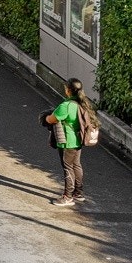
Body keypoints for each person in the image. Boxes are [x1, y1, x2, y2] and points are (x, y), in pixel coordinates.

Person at [44, 78, 93, 206]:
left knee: (67, 167)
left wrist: (46, 117)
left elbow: (51, 119)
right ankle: (79, 193)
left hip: (67, 142)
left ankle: (68, 197)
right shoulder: (83, 103)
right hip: (78, 140)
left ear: (68, 90)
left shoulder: (66, 106)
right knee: (76, 165)